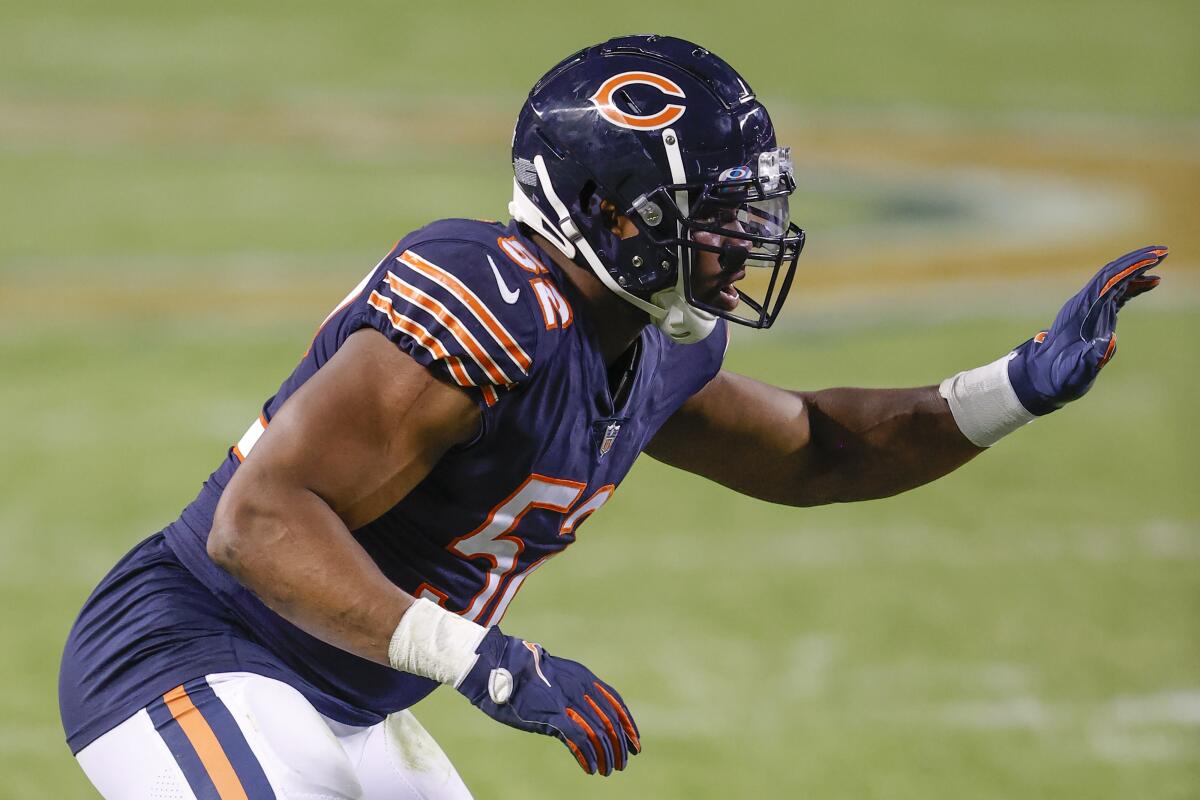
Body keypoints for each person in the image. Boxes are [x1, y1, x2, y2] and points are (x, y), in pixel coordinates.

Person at [58, 34, 1167, 799]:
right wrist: (485, 661)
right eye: (712, 216)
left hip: (346, 689)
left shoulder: (646, 340)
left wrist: (1013, 387)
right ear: (603, 210)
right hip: (197, 652)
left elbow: (818, 449)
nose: (738, 244)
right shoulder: (490, 299)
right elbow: (255, 522)